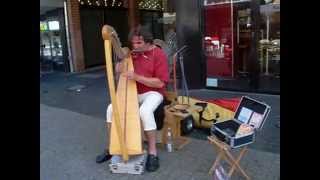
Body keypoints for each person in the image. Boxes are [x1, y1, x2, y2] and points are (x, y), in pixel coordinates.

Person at [96, 25, 169, 172]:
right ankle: (112, 147)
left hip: (153, 92)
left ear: (148, 42)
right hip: (133, 92)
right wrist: (119, 65)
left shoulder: (158, 54)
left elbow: (160, 82)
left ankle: (152, 152)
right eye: (133, 43)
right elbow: (118, 73)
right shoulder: (131, 54)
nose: (135, 46)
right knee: (111, 109)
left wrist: (136, 77)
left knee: (145, 111)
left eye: (139, 43)